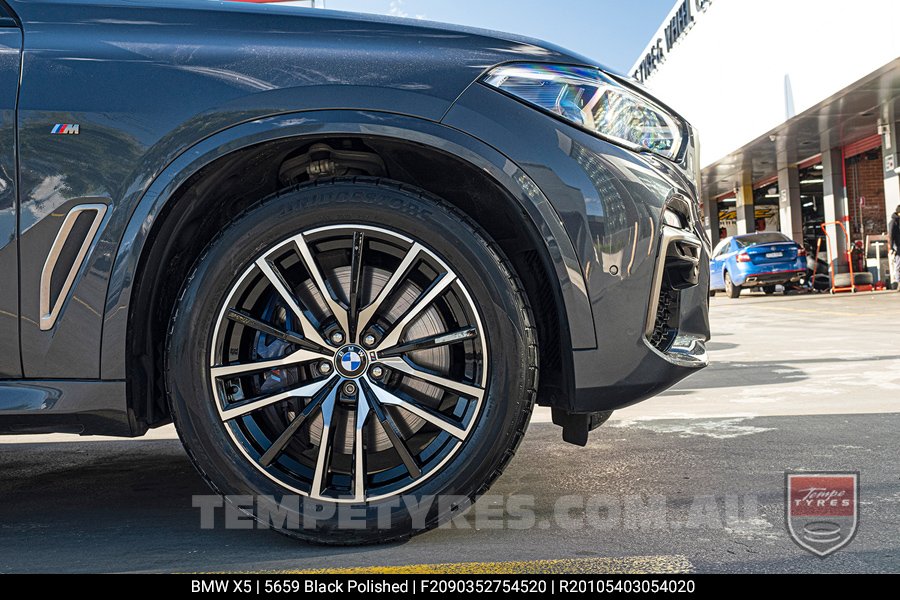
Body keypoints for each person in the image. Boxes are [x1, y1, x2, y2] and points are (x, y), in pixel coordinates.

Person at [890, 205, 900, 290]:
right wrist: (891, 247)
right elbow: (891, 235)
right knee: (898, 265)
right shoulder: (894, 222)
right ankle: (898, 282)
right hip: (898, 246)